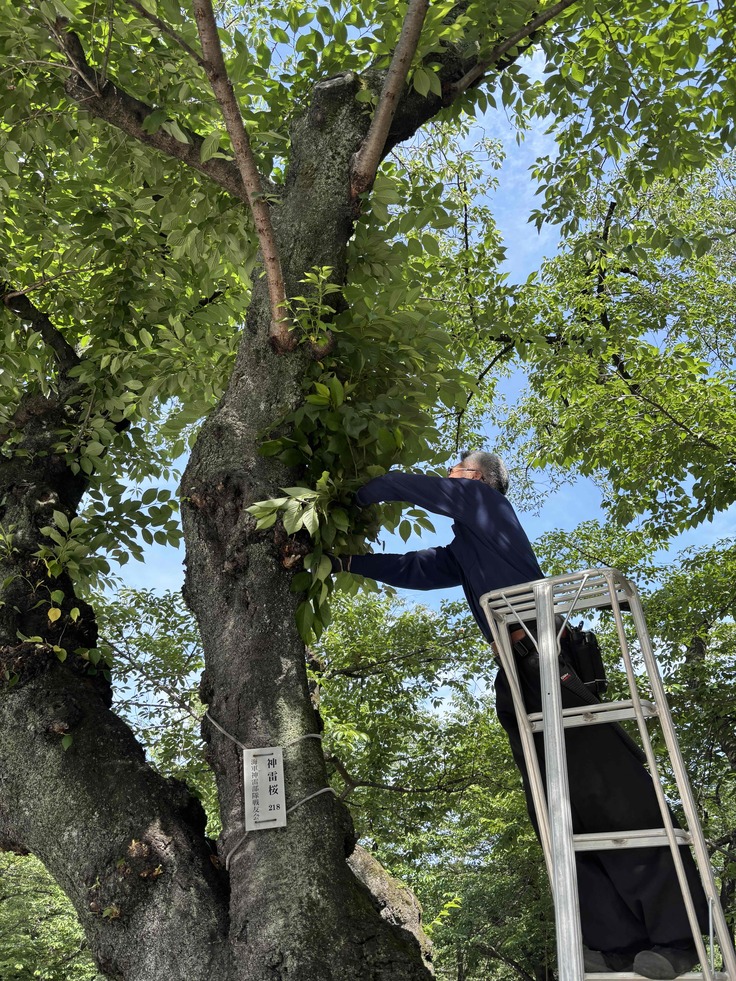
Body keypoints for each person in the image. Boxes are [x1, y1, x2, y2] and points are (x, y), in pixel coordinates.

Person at [334, 451, 709, 979]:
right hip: (515, 671)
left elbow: (418, 489)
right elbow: (413, 568)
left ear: (479, 480)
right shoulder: (469, 546)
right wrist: (346, 561)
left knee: (613, 792)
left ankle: (680, 937)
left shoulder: (487, 506)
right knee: (556, 805)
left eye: (455, 472)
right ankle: (612, 942)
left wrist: (354, 494)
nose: (448, 478)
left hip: (546, 656)